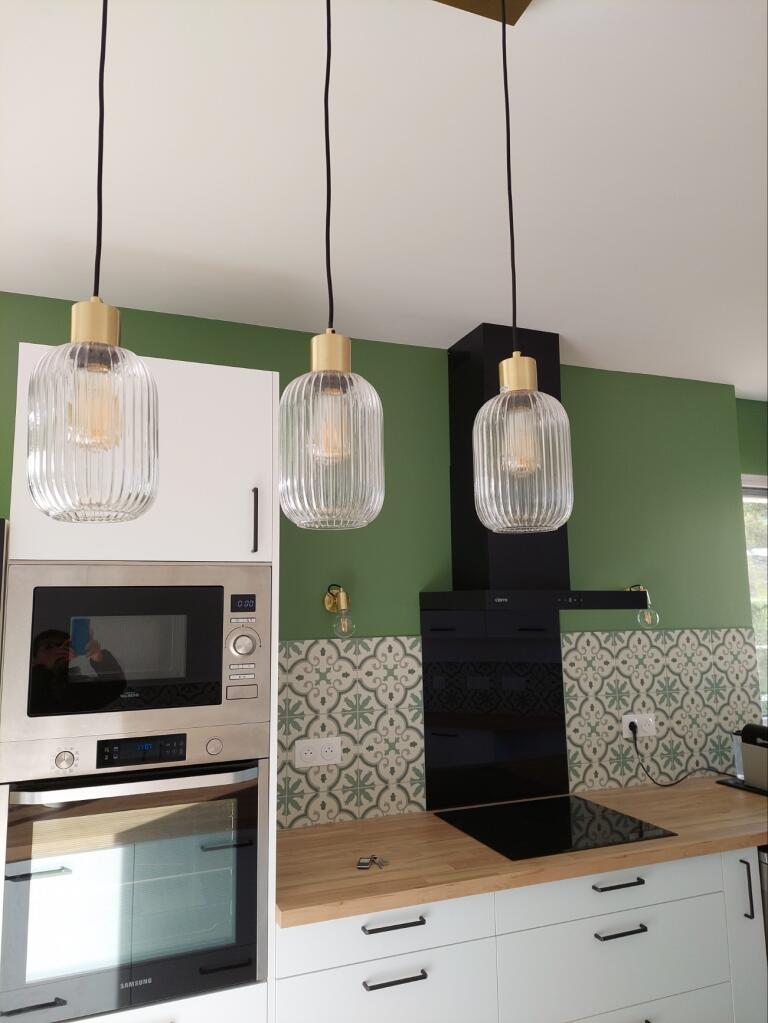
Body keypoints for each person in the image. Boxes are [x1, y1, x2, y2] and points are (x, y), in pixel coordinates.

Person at [29, 628, 126, 715]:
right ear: (35, 657)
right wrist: (41, 668)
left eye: (64, 646)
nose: (58, 650)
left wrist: (98, 657)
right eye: (49, 647)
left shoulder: (77, 681)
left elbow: (115, 689)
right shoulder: (26, 681)